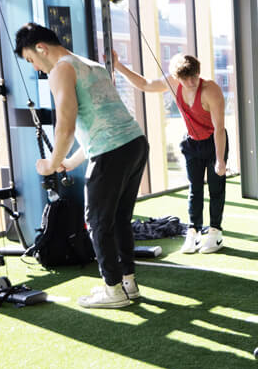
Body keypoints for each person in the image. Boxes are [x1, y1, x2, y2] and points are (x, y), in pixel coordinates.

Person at [15, 23, 148, 309]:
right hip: (134, 144)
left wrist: (50, 164)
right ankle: (128, 283)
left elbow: (66, 125)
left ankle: (113, 290)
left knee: (98, 221)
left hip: (111, 151)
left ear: (41, 48)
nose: (36, 67)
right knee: (119, 218)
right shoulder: (89, 65)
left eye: (31, 59)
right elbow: (96, 123)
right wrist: (67, 162)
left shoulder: (60, 70)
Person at [112, 51, 227, 254]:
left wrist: (220, 160)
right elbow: (146, 85)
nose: (191, 82)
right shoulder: (173, 83)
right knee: (195, 189)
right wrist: (118, 66)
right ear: (177, 78)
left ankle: (215, 233)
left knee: (216, 188)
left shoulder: (211, 90)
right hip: (191, 142)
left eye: (195, 76)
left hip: (213, 141)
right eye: (186, 78)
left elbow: (219, 128)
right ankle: (193, 231)